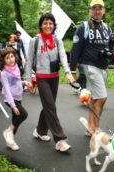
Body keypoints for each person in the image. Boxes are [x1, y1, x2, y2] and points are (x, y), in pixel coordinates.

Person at [26, 13, 75, 152]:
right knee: (51, 107)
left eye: (50, 23)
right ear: (41, 25)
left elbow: (63, 56)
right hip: (41, 77)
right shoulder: (34, 41)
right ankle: (60, 139)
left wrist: (67, 72)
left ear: (54, 25)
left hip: (54, 77)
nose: (48, 26)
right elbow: (29, 61)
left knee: (49, 106)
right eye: (45, 23)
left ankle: (40, 131)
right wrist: (29, 80)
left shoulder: (58, 40)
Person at [70, 0, 114, 135]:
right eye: (94, 8)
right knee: (102, 98)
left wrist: (111, 53)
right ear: (89, 11)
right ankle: (96, 129)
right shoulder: (83, 27)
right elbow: (75, 50)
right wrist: (72, 70)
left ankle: (89, 128)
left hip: (103, 67)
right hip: (89, 66)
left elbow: (112, 46)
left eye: (99, 8)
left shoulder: (107, 28)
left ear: (104, 11)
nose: (97, 11)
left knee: (96, 98)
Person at [0, 47, 29, 150]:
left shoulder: (15, 67)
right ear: (3, 61)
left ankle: (10, 141)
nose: (11, 59)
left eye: (12, 56)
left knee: (15, 119)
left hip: (18, 97)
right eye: (7, 58)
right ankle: (7, 132)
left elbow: (16, 82)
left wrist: (24, 83)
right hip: (11, 99)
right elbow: (7, 91)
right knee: (23, 115)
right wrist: (13, 106)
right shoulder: (4, 74)